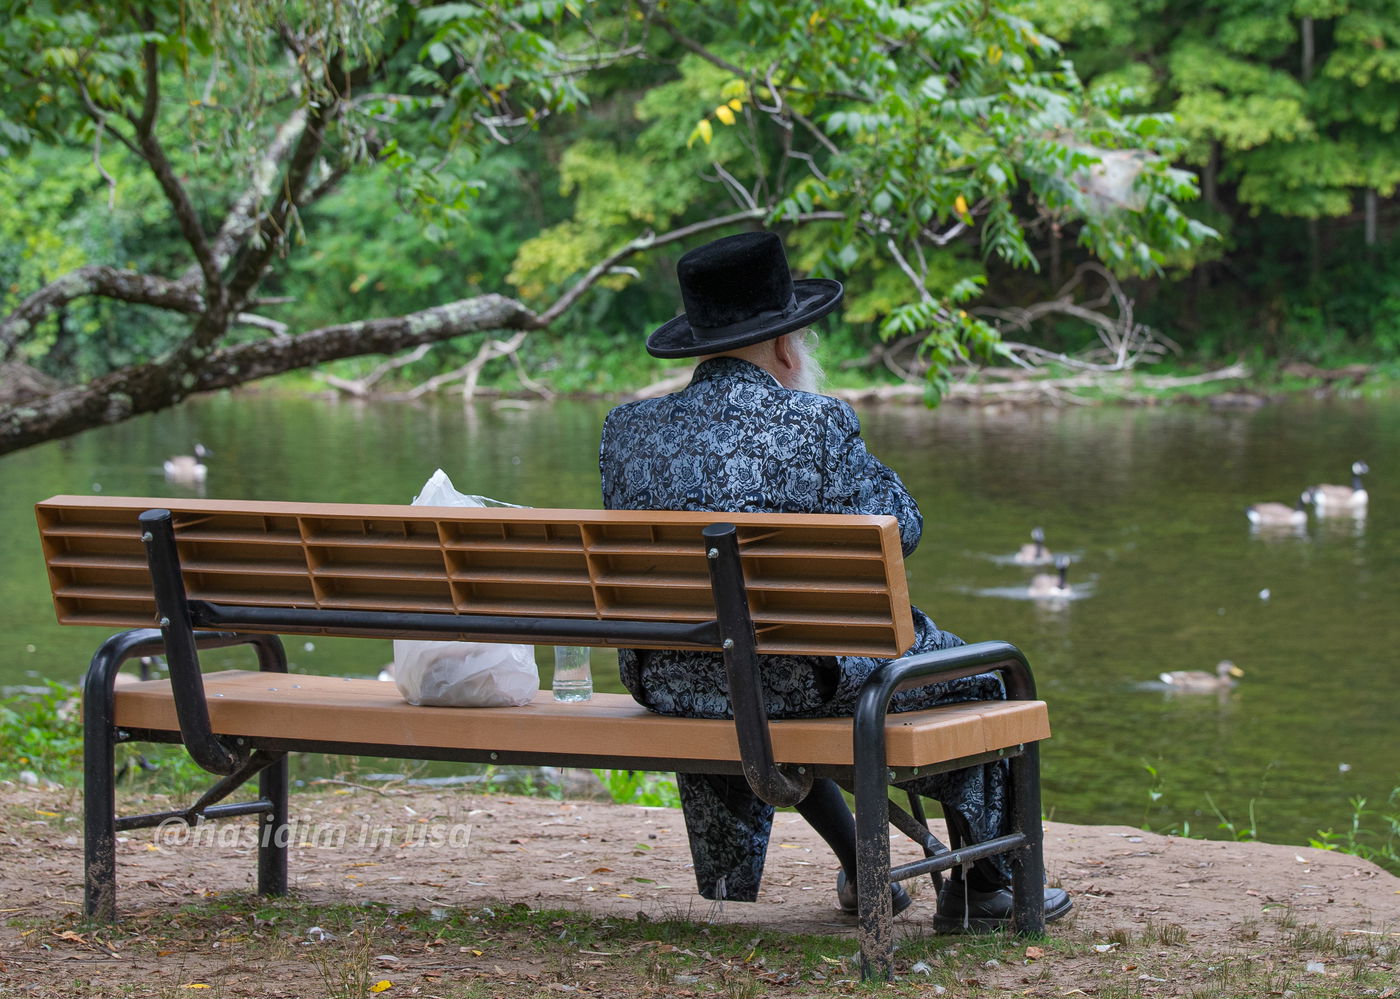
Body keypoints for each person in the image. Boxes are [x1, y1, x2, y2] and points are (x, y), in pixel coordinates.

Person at [598, 230, 1070, 930]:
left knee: (776, 667)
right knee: (989, 675)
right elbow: (902, 526)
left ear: (699, 343)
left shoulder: (627, 429)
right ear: (787, 345)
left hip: (668, 677)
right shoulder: (815, 422)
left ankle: (862, 864)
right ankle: (985, 885)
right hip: (790, 682)